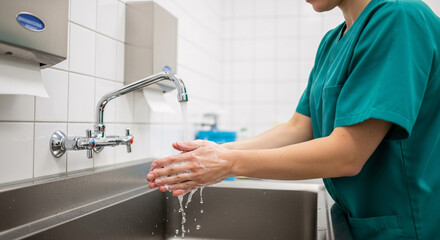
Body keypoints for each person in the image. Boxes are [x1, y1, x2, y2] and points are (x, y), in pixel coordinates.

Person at [147, 0, 440, 239]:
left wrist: (229, 164)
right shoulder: (332, 42)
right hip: (362, 222)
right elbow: (299, 127)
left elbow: (348, 154)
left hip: (410, 225)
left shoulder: (399, 17)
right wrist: (222, 152)